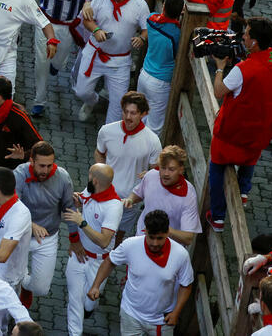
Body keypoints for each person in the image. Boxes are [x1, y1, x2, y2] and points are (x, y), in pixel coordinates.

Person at [207, 16, 272, 231]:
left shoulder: (244, 70)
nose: (243, 35)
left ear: (254, 42)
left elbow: (219, 91)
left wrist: (220, 68)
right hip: (258, 137)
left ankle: (218, 216)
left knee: (216, 168)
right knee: (249, 162)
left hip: (231, 136)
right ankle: (243, 191)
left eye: (247, 33)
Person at [20, 0, 98, 117]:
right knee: (41, 61)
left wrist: (87, 3)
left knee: (58, 61)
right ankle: (39, 101)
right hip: (44, 20)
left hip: (66, 26)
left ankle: (56, 65)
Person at [87, 210, 194, 335]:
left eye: (160, 238)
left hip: (161, 320)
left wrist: (176, 312)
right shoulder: (130, 245)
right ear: (145, 231)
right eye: (151, 237)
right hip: (131, 315)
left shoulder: (181, 255)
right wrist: (95, 286)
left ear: (167, 233)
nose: (155, 243)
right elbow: (109, 261)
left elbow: (186, 285)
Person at [74, 0, 150, 123]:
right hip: (94, 54)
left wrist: (141, 39)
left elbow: (147, 29)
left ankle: (107, 140)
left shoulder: (140, 5)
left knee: (117, 105)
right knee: (81, 91)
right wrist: (96, 30)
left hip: (119, 62)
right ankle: (91, 101)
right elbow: (87, 20)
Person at [12, 141, 76, 308]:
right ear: (31, 161)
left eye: (50, 165)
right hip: (20, 235)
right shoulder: (19, 174)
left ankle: (25, 285)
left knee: (41, 289)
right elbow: (12, 206)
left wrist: (74, 239)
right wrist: (31, 224)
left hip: (47, 237)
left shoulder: (63, 177)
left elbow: (69, 208)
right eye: (41, 166)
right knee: (10, 282)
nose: (46, 171)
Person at [62, 162, 123, 336]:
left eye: (89, 175)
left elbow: (104, 241)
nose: (87, 177)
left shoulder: (113, 206)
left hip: (99, 262)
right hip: (78, 256)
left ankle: (88, 309)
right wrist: (77, 199)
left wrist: (81, 222)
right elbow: (83, 198)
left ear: (95, 180)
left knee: (89, 302)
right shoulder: (91, 189)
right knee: (74, 301)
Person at [95, 91, 162, 237]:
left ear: (143, 114)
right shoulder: (106, 131)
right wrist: (100, 175)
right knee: (97, 233)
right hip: (104, 194)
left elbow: (156, 171)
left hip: (130, 202)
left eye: (133, 113)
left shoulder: (153, 141)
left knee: (118, 238)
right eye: (125, 112)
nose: (128, 117)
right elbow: (99, 152)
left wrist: (150, 175)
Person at [125, 145, 201, 246]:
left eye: (171, 169)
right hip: (141, 239)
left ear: (181, 170)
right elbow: (139, 193)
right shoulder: (151, 175)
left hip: (167, 249)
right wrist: (130, 200)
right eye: (163, 168)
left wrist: (164, 230)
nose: (165, 173)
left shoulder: (188, 195)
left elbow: (188, 238)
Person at [137, 0, 183, 135]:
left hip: (144, 74)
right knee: (153, 129)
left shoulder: (151, 19)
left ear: (163, 6)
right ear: (180, 13)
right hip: (161, 83)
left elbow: (157, 16)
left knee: (138, 118)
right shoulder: (177, 33)